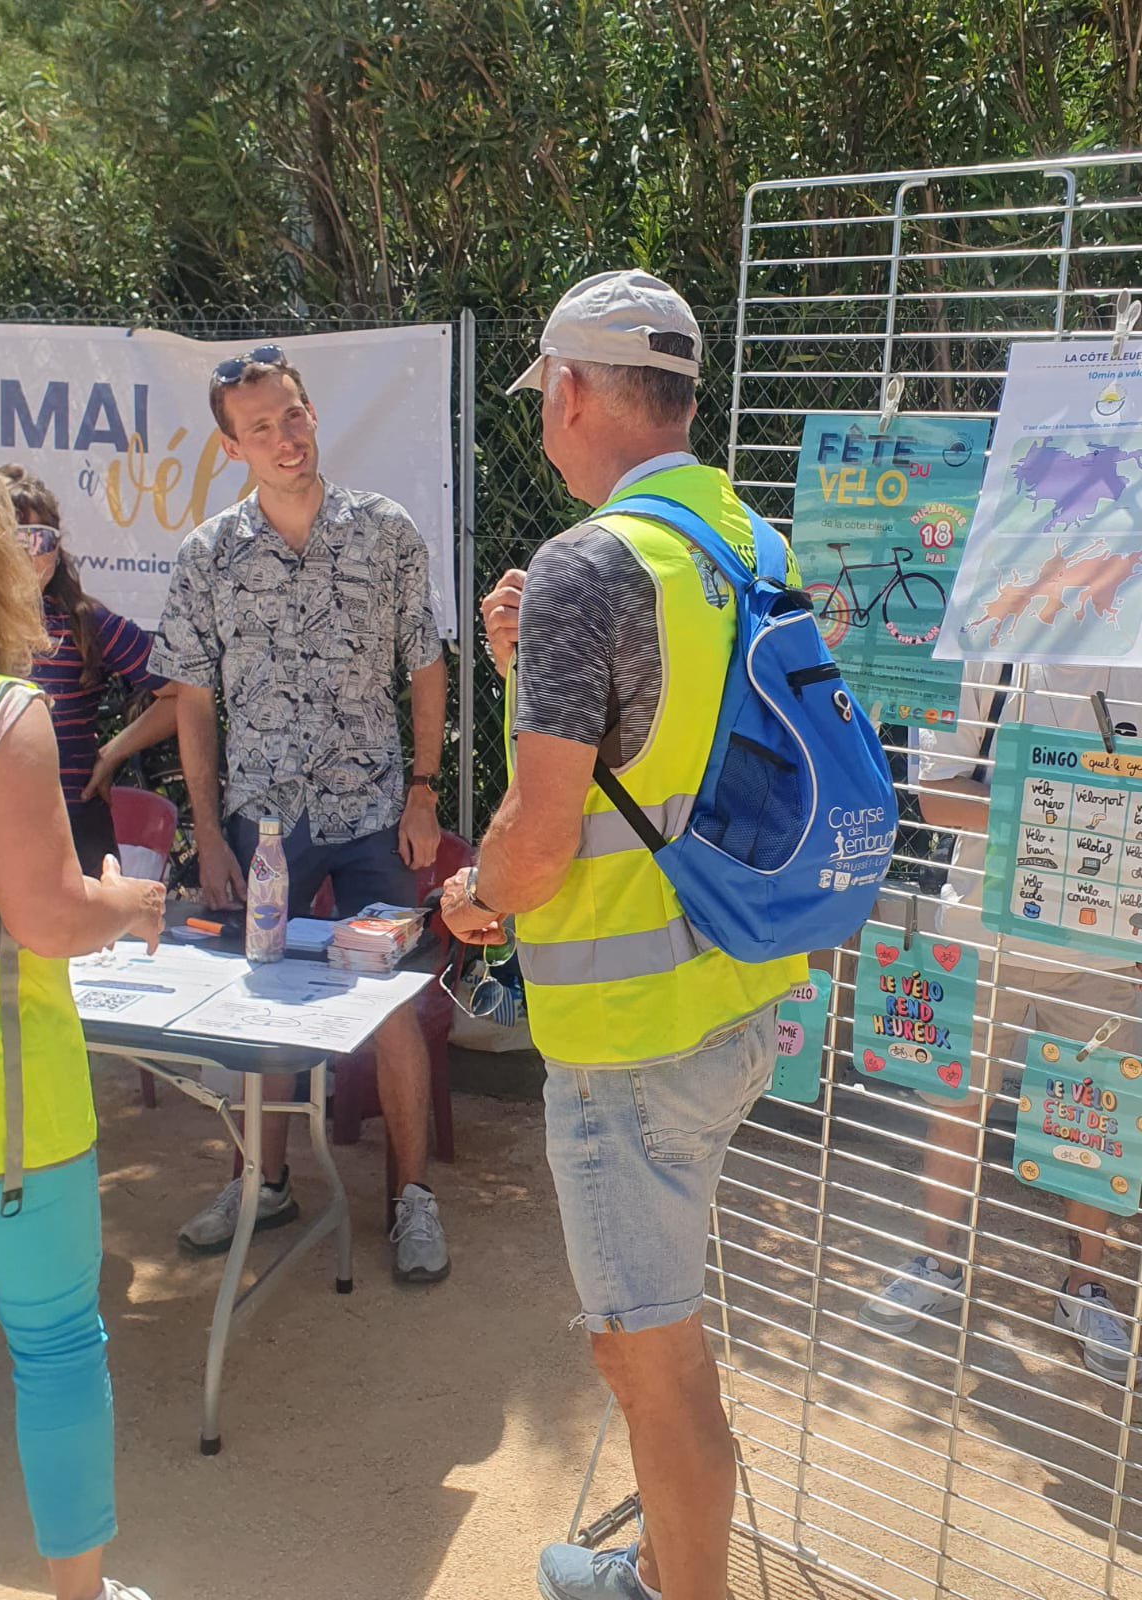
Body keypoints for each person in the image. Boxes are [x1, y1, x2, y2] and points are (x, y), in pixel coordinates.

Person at [442, 271, 808, 1600]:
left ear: (575, 391)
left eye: (545, 395)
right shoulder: (747, 543)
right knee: (656, 1351)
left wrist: (472, 895)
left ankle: (673, 1588)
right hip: (735, 996)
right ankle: (655, 1565)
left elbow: (538, 846)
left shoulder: (591, 565)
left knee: (654, 1367)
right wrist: (523, 665)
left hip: (629, 1041)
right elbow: (664, 748)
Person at [148, 344, 450, 1280]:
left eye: (293, 415)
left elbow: (425, 664)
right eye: (261, 427)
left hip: (372, 815)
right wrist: (208, 835)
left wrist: (424, 792)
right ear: (232, 447)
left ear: (313, 414)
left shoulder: (386, 533)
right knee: (261, 1005)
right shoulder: (208, 557)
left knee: (393, 1006)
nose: (285, 438)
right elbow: (194, 702)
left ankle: (412, 1200)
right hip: (263, 823)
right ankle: (262, 1185)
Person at [0, 460, 166, 1600]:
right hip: (4, 1104)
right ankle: (81, 1593)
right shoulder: (1, 712)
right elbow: (48, 916)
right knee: (59, 1346)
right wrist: (128, 899)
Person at [860, 661, 1142, 1383]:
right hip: (982, 932)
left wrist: (1044, 800)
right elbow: (936, 799)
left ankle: (1086, 1288)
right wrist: (1082, 803)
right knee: (955, 1106)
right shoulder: (996, 648)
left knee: (1090, 1127)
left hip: (1107, 950)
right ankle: (938, 1262)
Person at [0, 466, 178, 876]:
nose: (29, 553)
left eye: (41, 538)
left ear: (57, 548)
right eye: (14, 539)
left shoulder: (84, 623)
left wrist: (113, 753)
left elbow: (182, 692)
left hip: (74, 829)